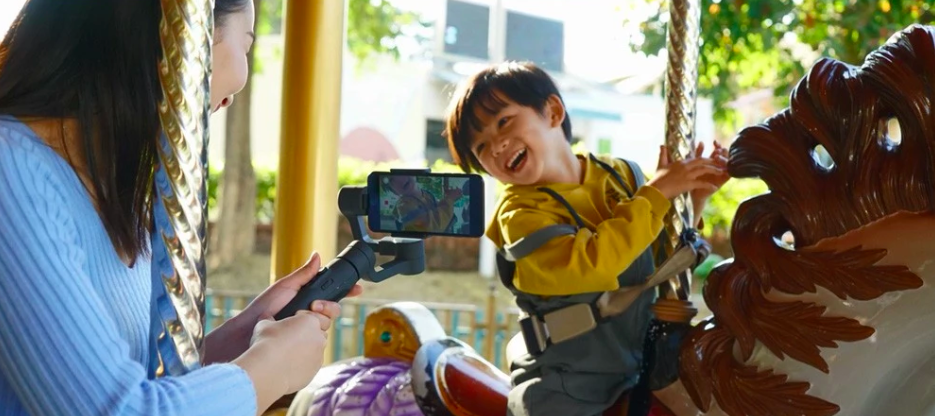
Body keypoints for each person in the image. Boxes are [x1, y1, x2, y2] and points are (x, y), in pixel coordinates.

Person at [0, 1, 362, 415]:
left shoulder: (110, 193)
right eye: (246, 43)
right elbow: (121, 409)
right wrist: (268, 371)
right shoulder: (11, 171)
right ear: (177, 40)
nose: (235, 90)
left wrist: (247, 335)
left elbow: (142, 382)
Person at [444, 61, 728, 416]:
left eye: (504, 122)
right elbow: (595, 264)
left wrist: (693, 199)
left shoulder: (620, 175)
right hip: (566, 388)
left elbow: (656, 259)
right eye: (481, 147)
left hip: (641, 365)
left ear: (552, 111)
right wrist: (659, 192)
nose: (497, 146)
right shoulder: (519, 216)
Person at [384, 175, 463, 233]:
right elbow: (430, 226)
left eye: (402, 172)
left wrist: (449, 198)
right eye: (391, 180)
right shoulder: (404, 205)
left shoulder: (427, 194)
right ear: (393, 191)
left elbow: (435, 210)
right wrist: (450, 199)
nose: (399, 179)